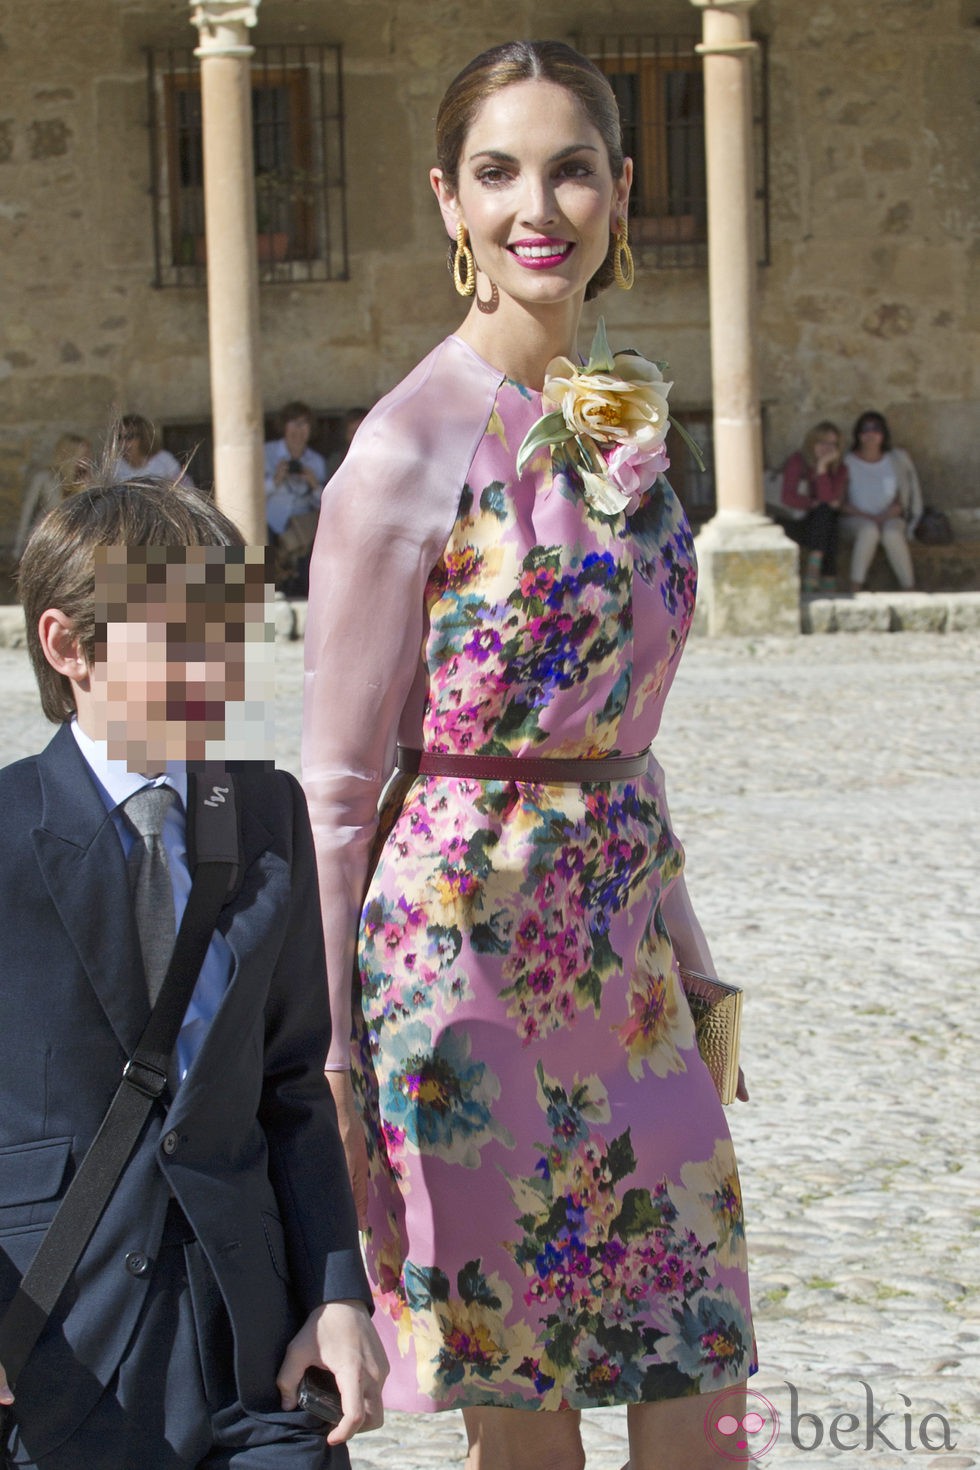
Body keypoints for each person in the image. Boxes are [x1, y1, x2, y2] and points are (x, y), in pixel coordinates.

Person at [303, 40, 754, 1470]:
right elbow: (331, 790)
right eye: (497, 171)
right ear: (448, 201)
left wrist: (687, 945)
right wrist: (320, 1055)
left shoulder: (622, 416)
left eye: (571, 166)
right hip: (462, 966)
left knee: (707, 1393)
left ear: (621, 191)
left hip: (624, 962)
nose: (536, 202)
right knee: (532, 1428)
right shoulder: (402, 448)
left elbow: (624, 731)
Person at [1, 479, 387, 1469]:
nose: (216, 668)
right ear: (67, 647)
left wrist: (337, 1295)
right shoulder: (5, 835)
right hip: (60, 1351)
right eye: (178, 637)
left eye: (230, 634)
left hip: (256, 1352)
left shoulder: (264, 816)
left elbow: (295, 1089)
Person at [842, 410, 922, 592]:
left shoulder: (895, 460)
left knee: (892, 534)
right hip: (856, 518)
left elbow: (900, 501)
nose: (870, 434)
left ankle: (909, 588)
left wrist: (882, 517)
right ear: (858, 434)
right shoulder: (848, 461)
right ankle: (855, 588)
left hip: (888, 516)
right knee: (869, 531)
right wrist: (867, 517)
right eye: (865, 429)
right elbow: (841, 502)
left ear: (883, 434)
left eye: (876, 429)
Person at [264, 401, 327, 595]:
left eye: (304, 424)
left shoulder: (316, 461)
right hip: (272, 521)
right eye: (294, 423)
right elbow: (250, 492)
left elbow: (324, 503)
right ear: (284, 426)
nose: (299, 430)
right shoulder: (267, 452)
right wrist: (276, 479)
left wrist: (314, 483)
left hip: (302, 527)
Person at [779, 420, 846, 594]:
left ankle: (814, 568)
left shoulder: (840, 468)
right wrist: (812, 503)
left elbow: (829, 499)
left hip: (819, 523)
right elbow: (787, 497)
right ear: (812, 443)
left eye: (832, 444)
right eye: (822, 442)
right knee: (827, 514)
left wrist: (822, 468)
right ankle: (826, 579)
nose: (827, 448)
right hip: (795, 521)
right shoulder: (798, 461)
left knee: (827, 515)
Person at [13, 433, 91, 559]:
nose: (87, 460)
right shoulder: (44, 478)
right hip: (49, 540)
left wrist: (89, 486)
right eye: (83, 455)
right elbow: (27, 512)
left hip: (77, 544)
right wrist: (19, 548)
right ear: (70, 455)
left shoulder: (88, 480)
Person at [111, 413, 195, 488]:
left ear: (143, 438)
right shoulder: (115, 466)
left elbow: (187, 487)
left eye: (129, 437)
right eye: (119, 437)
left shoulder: (164, 459)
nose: (122, 442)